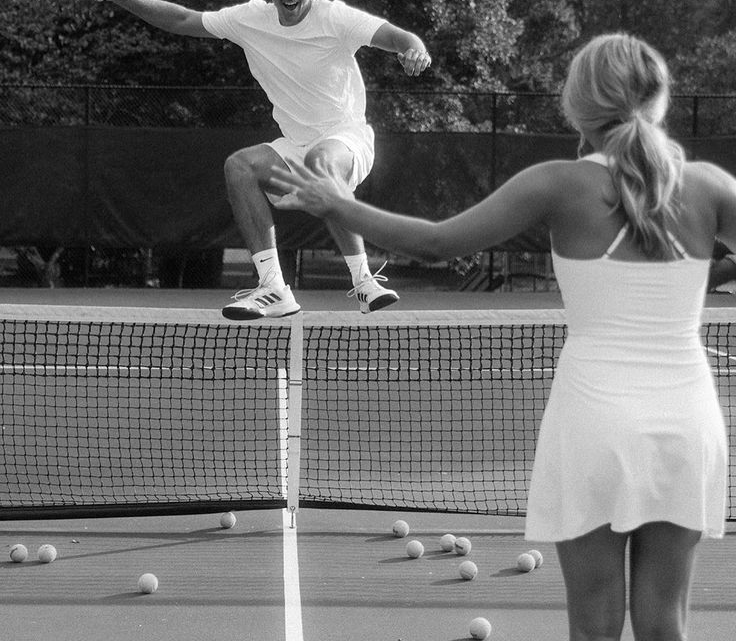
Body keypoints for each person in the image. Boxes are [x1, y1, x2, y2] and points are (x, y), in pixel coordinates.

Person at [270, 33, 731, 641]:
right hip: (686, 424)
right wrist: (695, 281)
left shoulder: (557, 182)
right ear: (661, 99)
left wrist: (337, 203)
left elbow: (435, 242)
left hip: (594, 423)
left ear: (576, 105)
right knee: (665, 625)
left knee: (594, 629)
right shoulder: (708, 186)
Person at [89, 0, 431, 319]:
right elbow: (183, 19)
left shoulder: (336, 17)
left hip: (347, 138)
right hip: (294, 145)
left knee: (320, 161)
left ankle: (364, 282)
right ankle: (273, 287)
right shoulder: (248, 19)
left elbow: (400, 38)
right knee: (240, 167)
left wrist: (415, 49)